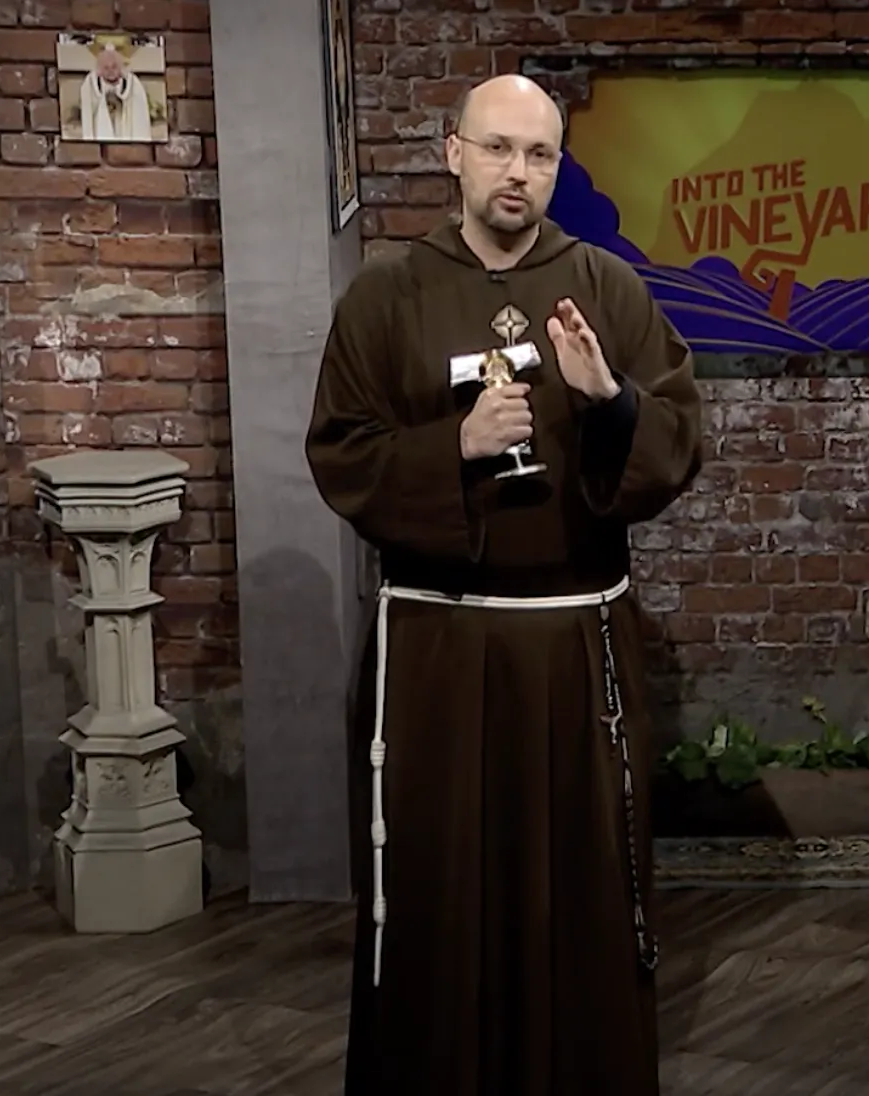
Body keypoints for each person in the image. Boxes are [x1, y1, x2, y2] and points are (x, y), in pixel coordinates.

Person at [306, 73, 703, 1095]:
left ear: (558, 166)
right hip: (437, 652)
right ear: (453, 153)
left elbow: (678, 439)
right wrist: (456, 447)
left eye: (538, 154)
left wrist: (608, 400)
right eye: (497, 149)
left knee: (578, 897)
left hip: (574, 650)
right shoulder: (386, 296)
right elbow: (342, 455)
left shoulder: (608, 288)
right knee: (442, 896)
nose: (517, 173)